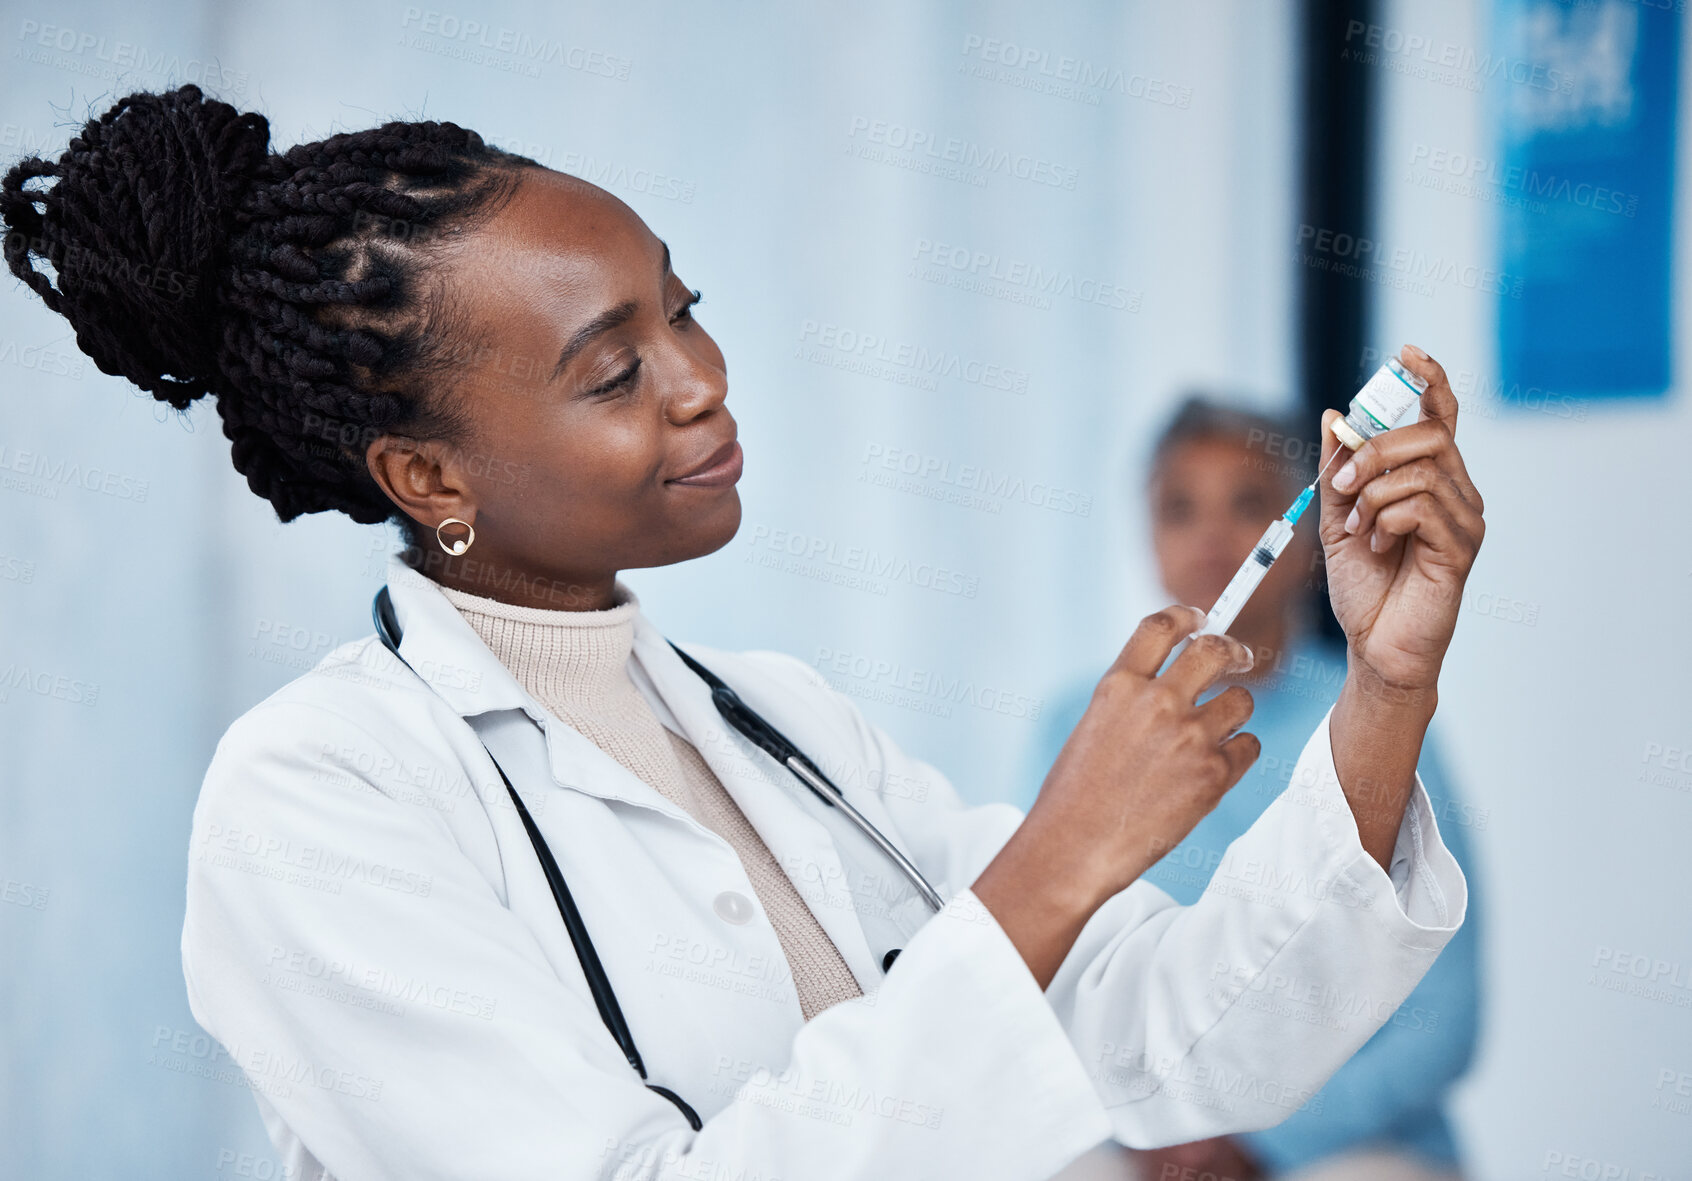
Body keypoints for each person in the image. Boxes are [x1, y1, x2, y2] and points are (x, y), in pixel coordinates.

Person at [2, 84, 1486, 1181]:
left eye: (684, 308)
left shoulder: (780, 726)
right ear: (432, 478)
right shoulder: (319, 794)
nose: (702, 380)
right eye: (613, 369)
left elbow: (1187, 1043)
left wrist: (1385, 685)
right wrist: (1054, 863)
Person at [1022, 399, 1482, 1181]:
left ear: (1304, 540)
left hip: (1337, 1152)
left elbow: (1447, 1021)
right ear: (1147, 535)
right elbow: (1033, 971)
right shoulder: (1080, 723)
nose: (1211, 536)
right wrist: (1153, 1134)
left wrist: (1257, 1145)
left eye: (1247, 504)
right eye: (1179, 507)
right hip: (1138, 1145)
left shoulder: (1380, 713)